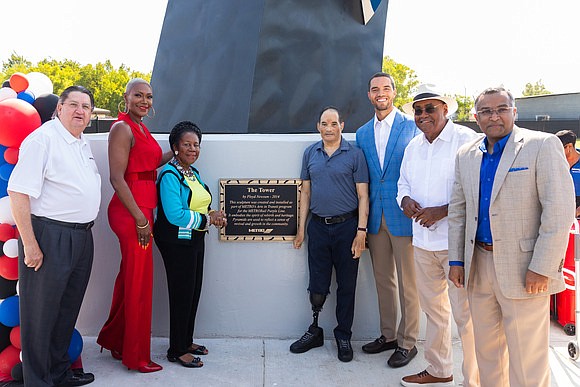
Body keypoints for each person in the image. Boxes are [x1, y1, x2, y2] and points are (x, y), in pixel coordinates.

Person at [448, 87, 575, 387]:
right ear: (476, 117)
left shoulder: (541, 145)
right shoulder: (466, 155)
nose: (494, 116)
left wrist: (542, 266)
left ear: (514, 112)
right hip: (478, 265)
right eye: (486, 111)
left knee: (526, 360)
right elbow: (458, 210)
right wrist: (456, 260)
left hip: (525, 270)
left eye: (501, 109)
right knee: (487, 353)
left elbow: (559, 211)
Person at [8, 86, 100, 386]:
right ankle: (38, 381)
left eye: (85, 106)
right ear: (59, 108)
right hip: (49, 236)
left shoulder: (80, 142)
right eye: (73, 104)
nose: (80, 110)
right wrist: (31, 245)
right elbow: (18, 192)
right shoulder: (43, 140)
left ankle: (59, 373)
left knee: (67, 309)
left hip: (81, 237)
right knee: (40, 314)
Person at [396, 85, 480, 387]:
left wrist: (442, 210)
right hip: (422, 243)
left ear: (445, 109)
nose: (423, 115)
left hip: (455, 245)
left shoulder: (467, 141)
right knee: (434, 312)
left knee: (466, 315)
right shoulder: (413, 147)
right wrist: (404, 200)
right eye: (418, 110)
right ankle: (439, 370)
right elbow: (402, 183)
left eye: (430, 108)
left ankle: (476, 379)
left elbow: (478, 188)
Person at [97, 78, 172, 373]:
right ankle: (136, 356)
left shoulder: (140, 128)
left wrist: (176, 153)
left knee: (131, 279)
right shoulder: (121, 128)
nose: (145, 100)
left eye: (149, 96)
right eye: (138, 95)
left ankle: (116, 340)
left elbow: (147, 165)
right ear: (125, 97)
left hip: (143, 209)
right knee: (139, 284)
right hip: (131, 214)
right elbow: (117, 178)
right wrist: (141, 219)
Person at [290, 106, 369, 362]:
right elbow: (305, 192)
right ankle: (315, 331)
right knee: (317, 284)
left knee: (347, 285)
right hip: (318, 228)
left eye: (334, 124)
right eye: (325, 123)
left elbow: (363, 195)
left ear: (342, 126)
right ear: (318, 126)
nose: (329, 128)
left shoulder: (355, 155)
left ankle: (343, 336)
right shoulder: (310, 153)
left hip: (348, 227)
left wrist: (361, 231)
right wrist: (301, 229)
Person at [355, 72, 420, 368]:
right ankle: (388, 335)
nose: (380, 93)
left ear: (393, 92)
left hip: (404, 216)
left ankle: (408, 343)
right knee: (384, 280)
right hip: (376, 217)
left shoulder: (412, 127)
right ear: (369, 95)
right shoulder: (362, 133)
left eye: (385, 88)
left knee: (409, 283)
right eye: (374, 89)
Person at [154, 121, 227, 368]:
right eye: (187, 144)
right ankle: (176, 350)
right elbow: (175, 214)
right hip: (176, 242)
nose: (193, 149)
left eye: (196, 145)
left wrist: (214, 213)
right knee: (181, 294)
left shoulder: (192, 173)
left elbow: (199, 205)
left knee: (193, 292)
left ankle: (186, 341)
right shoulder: (169, 174)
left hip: (195, 239)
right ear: (175, 147)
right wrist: (208, 218)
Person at [555, 129, 580, 216]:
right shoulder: (554, 160)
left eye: (558, 148)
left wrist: (577, 211)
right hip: (560, 205)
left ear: (569, 146)